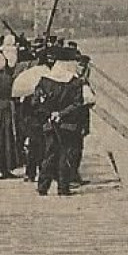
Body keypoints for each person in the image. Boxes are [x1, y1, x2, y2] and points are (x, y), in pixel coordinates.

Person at [31, 46, 94, 196]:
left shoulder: (45, 81)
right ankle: (63, 187)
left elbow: (35, 102)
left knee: (50, 153)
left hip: (49, 123)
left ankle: (43, 186)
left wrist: (49, 113)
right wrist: (62, 113)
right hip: (69, 125)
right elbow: (78, 103)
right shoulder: (75, 83)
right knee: (65, 155)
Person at [11, 51, 52, 183]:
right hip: (42, 117)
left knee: (34, 146)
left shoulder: (29, 77)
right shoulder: (48, 74)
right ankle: (44, 171)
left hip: (30, 119)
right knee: (46, 146)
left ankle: (30, 173)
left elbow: (23, 108)